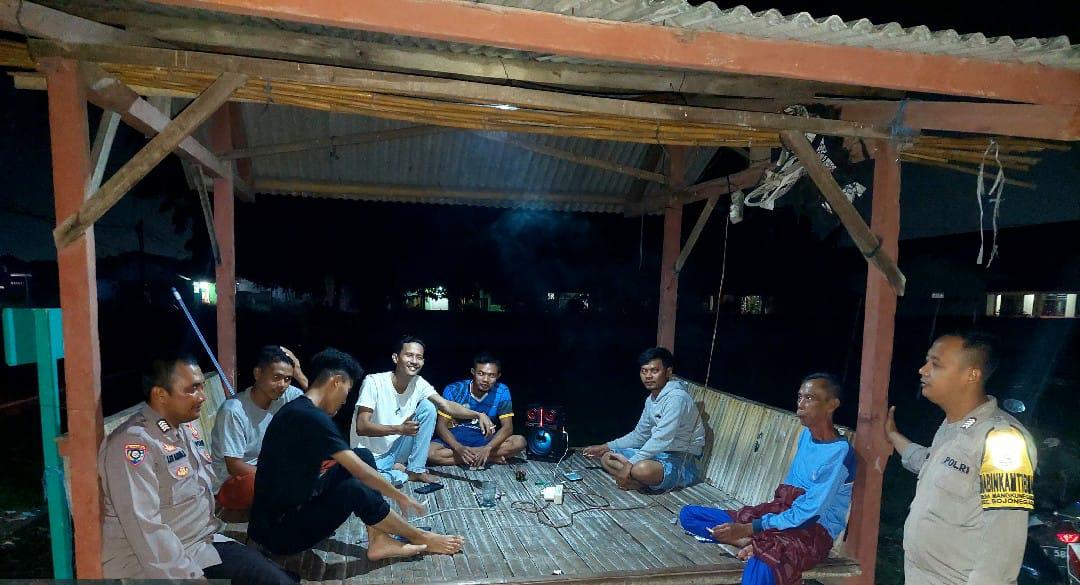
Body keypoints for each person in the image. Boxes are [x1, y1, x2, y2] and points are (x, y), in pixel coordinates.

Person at [249, 348, 465, 559]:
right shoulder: (311, 418)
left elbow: (358, 462)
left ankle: (378, 539)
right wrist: (401, 497)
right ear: (336, 382)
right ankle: (420, 537)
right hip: (277, 534)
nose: (345, 400)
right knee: (353, 488)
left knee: (363, 455)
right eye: (347, 390)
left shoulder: (300, 408)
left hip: (294, 507)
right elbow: (359, 471)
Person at [98, 354, 296, 583]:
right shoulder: (135, 445)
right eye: (192, 389)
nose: (202, 396)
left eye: (202, 387)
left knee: (282, 576)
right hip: (156, 564)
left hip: (201, 544)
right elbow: (145, 530)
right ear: (160, 395)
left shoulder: (184, 429)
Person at [886, 332, 1036, 585]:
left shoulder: (1003, 439)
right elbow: (932, 464)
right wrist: (893, 436)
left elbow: (1005, 539)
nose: (923, 370)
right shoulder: (954, 426)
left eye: (936, 363)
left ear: (971, 375)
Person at [679, 373, 856, 585]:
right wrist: (756, 526)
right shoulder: (807, 436)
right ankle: (753, 543)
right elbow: (789, 495)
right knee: (689, 515)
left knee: (760, 568)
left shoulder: (839, 452)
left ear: (832, 405)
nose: (800, 404)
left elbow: (809, 515)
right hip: (782, 516)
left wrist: (750, 528)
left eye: (809, 398)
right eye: (799, 397)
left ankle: (758, 545)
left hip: (812, 532)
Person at [350, 336, 496, 485]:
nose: (414, 361)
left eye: (419, 357)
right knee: (373, 482)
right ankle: (397, 473)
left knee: (428, 406)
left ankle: (415, 469)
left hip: (396, 450)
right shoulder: (374, 382)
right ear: (395, 358)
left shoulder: (418, 383)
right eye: (409, 355)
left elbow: (446, 405)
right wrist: (399, 429)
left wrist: (478, 415)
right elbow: (362, 427)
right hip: (368, 456)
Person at [582, 347, 705, 491]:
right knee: (606, 457)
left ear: (668, 372)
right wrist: (605, 446)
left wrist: (629, 464)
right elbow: (639, 436)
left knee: (641, 469)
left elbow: (662, 438)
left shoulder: (677, 398)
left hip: (681, 461)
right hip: (657, 455)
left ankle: (636, 479)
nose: (648, 376)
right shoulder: (651, 399)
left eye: (654, 371)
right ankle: (638, 481)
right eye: (644, 371)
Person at [211, 345, 306, 510]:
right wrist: (278, 478)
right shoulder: (233, 410)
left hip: (267, 470)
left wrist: (299, 374)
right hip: (234, 482)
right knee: (256, 484)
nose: (282, 384)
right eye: (276, 377)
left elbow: (320, 410)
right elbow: (234, 466)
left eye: (287, 379)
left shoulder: (285, 395)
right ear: (257, 374)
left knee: (322, 461)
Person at [427, 352, 526, 468]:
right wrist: (458, 447)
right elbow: (441, 426)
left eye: (491, 375)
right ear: (473, 372)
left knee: (519, 442)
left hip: (485, 439)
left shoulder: (502, 390)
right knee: (429, 452)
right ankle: (490, 458)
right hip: (456, 438)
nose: (485, 379)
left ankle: (475, 456)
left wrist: (488, 448)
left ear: (498, 376)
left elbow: (507, 428)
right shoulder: (454, 389)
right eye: (481, 374)